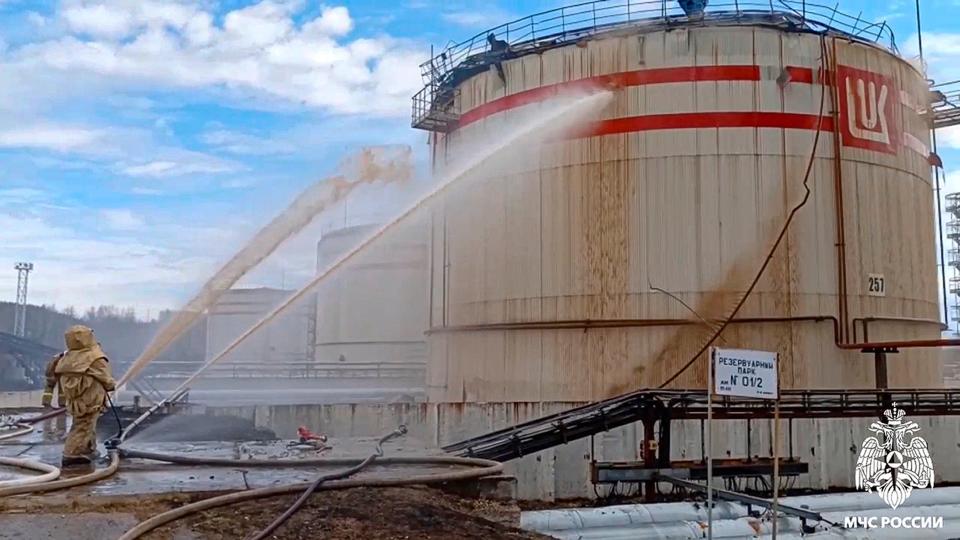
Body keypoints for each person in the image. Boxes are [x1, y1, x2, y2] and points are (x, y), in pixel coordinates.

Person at [53, 325, 116, 467]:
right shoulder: (94, 357)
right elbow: (106, 378)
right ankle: (72, 454)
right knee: (84, 426)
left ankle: (88, 449)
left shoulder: (67, 357)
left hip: (75, 400)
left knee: (86, 424)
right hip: (90, 399)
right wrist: (111, 385)